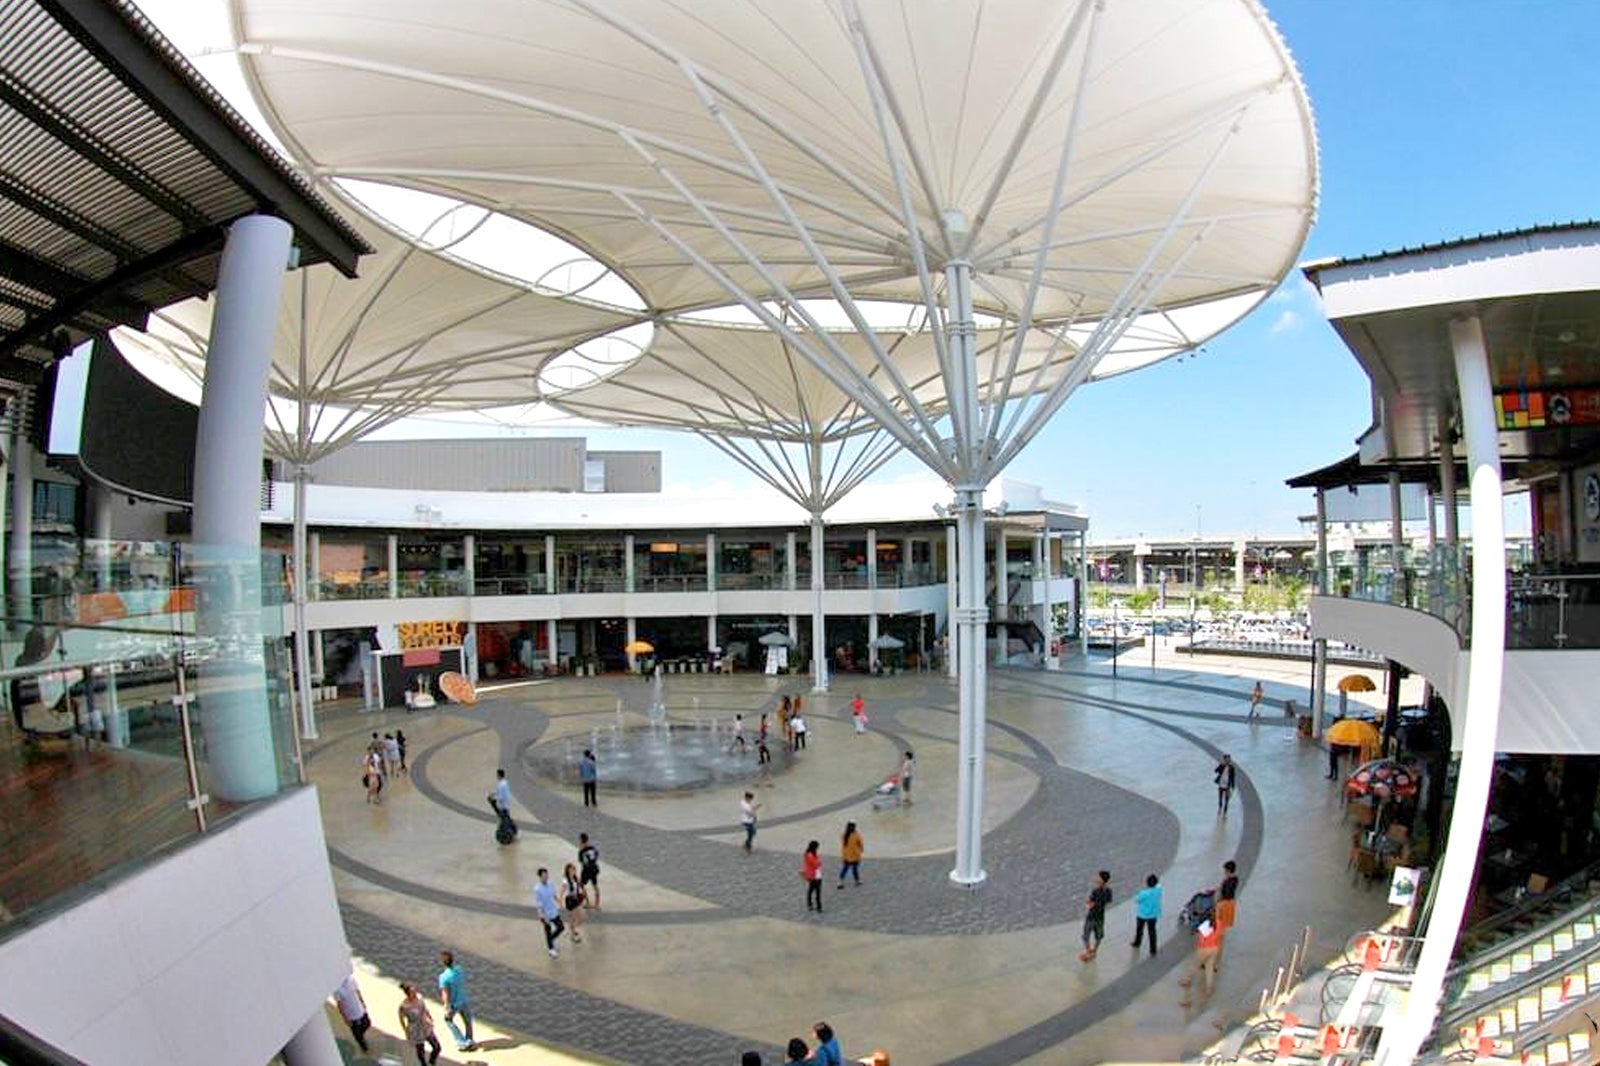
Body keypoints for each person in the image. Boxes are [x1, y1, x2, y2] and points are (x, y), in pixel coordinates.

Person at [436, 950, 476, 1052]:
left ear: (442, 963)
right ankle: (470, 1040)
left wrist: (446, 1006)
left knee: (448, 1020)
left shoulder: (443, 977)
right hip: (463, 999)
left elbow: (445, 994)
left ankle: (461, 1042)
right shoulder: (459, 970)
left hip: (454, 1004)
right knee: (467, 1021)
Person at [1179, 918, 1224, 1007]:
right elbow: (1220, 935)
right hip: (1214, 948)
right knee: (1209, 969)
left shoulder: (1205, 926)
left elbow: (1201, 940)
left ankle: (1188, 981)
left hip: (1204, 949)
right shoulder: (1219, 923)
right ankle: (1209, 989)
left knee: (1195, 966)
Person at [398, 981, 442, 1066]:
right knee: (420, 1050)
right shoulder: (404, 1006)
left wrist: (430, 1017)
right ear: (407, 994)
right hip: (415, 1028)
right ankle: (423, 1064)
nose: (414, 994)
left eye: (415, 991)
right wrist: (405, 1030)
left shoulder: (419, 998)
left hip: (424, 1024)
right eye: (412, 992)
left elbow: (425, 1008)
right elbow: (401, 1018)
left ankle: (432, 1061)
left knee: (437, 1047)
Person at [331, 970, 371, 1053]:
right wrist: (345, 1019)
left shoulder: (351, 979)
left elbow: (358, 991)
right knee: (357, 1035)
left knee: (367, 1023)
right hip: (350, 1015)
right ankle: (364, 1048)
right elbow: (340, 1005)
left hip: (359, 1009)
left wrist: (363, 1002)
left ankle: (362, 1037)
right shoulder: (337, 989)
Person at [1078, 870, 1112, 961]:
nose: (1096, 878)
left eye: (1098, 877)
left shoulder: (1095, 891)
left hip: (1092, 916)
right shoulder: (1108, 890)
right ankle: (1094, 951)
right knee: (1099, 935)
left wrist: (1091, 903)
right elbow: (1108, 901)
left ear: (1102, 880)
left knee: (1086, 936)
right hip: (1100, 917)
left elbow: (1090, 904)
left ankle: (1089, 952)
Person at [533, 866, 566, 958]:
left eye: (547, 875)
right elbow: (539, 904)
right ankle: (551, 949)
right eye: (544, 876)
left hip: (553, 910)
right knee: (547, 930)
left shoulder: (551, 884)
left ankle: (551, 939)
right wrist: (543, 916)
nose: (546, 877)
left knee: (561, 927)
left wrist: (559, 902)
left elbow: (554, 895)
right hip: (545, 913)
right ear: (540, 877)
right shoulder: (537, 889)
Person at [1131, 873, 1162, 957]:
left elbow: (1136, 900)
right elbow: (1159, 885)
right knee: (1152, 932)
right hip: (1153, 915)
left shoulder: (1144, 893)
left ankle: (1137, 943)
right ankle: (1153, 949)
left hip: (1142, 915)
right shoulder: (1158, 890)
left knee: (1139, 930)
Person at [562, 861, 588, 943]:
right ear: (567, 871)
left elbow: (580, 887)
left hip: (576, 899)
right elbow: (563, 890)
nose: (572, 871)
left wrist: (583, 894)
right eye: (570, 870)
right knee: (574, 918)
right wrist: (560, 901)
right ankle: (572, 935)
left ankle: (573, 930)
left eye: (573, 869)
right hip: (570, 900)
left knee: (582, 917)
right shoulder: (566, 880)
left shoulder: (576, 878)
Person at [1215, 860, 1240, 943]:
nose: (1224, 872)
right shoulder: (1234, 879)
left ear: (1228, 871)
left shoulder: (1229, 881)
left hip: (1225, 903)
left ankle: (1219, 937)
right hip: (1229, 902)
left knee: (1220, 920)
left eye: (1225, 871)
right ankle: (1219, 934)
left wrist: (1222, 886)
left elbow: (1226, 892)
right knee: (1223, 921)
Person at [578, 832, 602, 908]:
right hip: (594, 869)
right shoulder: (593, 848)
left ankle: (587, 902)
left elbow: (582, 862)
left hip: (586, 870)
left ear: (581, 841)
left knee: (581, 885)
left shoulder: (582, 851)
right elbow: (596, 856)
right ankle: (597, 904)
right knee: (595, 885)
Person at [492, 768, 517, 838]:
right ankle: (510, 827)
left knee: (504, 818)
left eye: (497, 774)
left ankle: (506, 831)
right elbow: (499, 792)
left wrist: (494, 798)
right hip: (506, 804)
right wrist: (493, 794)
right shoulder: (504, 783)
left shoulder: (501, 785)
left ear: (499, 775)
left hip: (503, 805)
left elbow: (501, 796)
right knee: (506, 817)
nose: (496, 776)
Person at [838, 821, 863, 887]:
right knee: (852, 869)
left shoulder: (844, 834)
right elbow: (860, 843)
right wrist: (861, 850)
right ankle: (856, 881)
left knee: (847, 868)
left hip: (848, 855)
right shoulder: (856, 834)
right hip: (854, 855)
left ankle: (841, 881)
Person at [802, 840, 824, 912]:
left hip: (814, 874)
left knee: (811, 890)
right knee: (816, 891)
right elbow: (816, 864)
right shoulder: (810, 855)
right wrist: (819, 862)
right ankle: (818, 907)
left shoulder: (809, 854)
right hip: (814, 875)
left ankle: (810, 905)